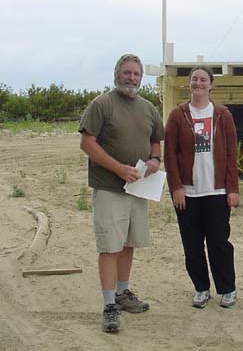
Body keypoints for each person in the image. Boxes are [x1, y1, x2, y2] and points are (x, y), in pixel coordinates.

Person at [79, 54, 164, 332]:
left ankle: (123, 293)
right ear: (117, 74)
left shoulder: (149, 108)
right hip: (109, 189)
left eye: (136, 74)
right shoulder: (101, 104)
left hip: (138, 189)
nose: (132, 78)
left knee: (129, 243)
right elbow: (87, 143)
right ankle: (108, 306)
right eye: (127, 73)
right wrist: (118, 169)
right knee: (110, 246)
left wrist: (154, 160)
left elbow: (155, 142)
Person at [164, 65, 239, 309]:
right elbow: (170, 154)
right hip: (188, 193)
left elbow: (230, 153)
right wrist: (175, 186)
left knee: (219, 243)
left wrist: (232, 189)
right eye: (194, 79)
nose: (198, 83)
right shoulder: (178, 115)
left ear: (211, 84)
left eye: (203, 79)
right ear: (189, 83)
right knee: (192, 245)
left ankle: (227, 289)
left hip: (216, 192)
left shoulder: (222, 114)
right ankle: (201, 288)